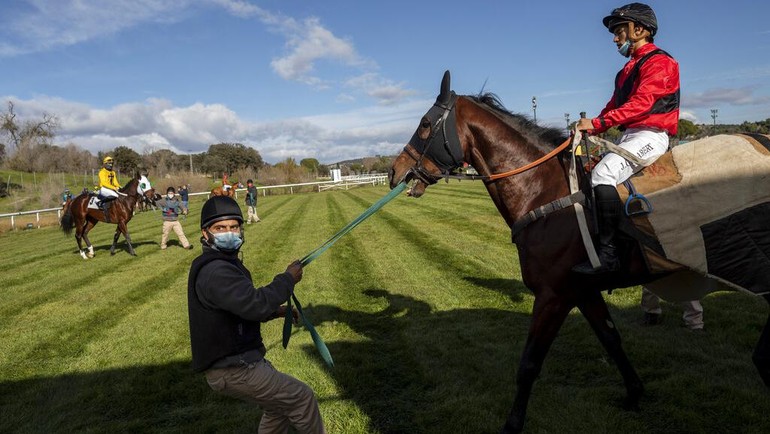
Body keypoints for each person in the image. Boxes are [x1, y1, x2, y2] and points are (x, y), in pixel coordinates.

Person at [187, 195, 325, 433]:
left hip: (238, 363)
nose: (229, 233)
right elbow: (255, 304)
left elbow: (241, 307)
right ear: (205, 232)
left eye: (234, 227)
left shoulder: (222, 263)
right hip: (235, 369)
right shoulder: (216, 271)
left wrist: (277, 311)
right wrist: (288, 279)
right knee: (301, 398)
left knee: (278, 408)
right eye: (220, 228)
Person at [573, 2, 680, 274]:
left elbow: (643, 103)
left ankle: (609, 256)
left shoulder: (660, 62)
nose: (614, 38)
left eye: (619, 31)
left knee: (602, 175)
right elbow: (613, 107)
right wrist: (588, 128)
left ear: (639, 30)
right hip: (630, 136)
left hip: (651, 135)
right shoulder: (625, 71)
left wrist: (597, 123)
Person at [97, 156, 122, 222]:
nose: (110, 165)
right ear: (105, 164)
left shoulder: (113, 172)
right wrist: (114, 188)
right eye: (109, 163)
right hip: (104, 188)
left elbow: (115, 182)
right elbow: (104, 183)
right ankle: (101, 202)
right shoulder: (102, 172)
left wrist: (120, 187)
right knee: (116, 195)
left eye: (111, 164)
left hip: (111, 189)